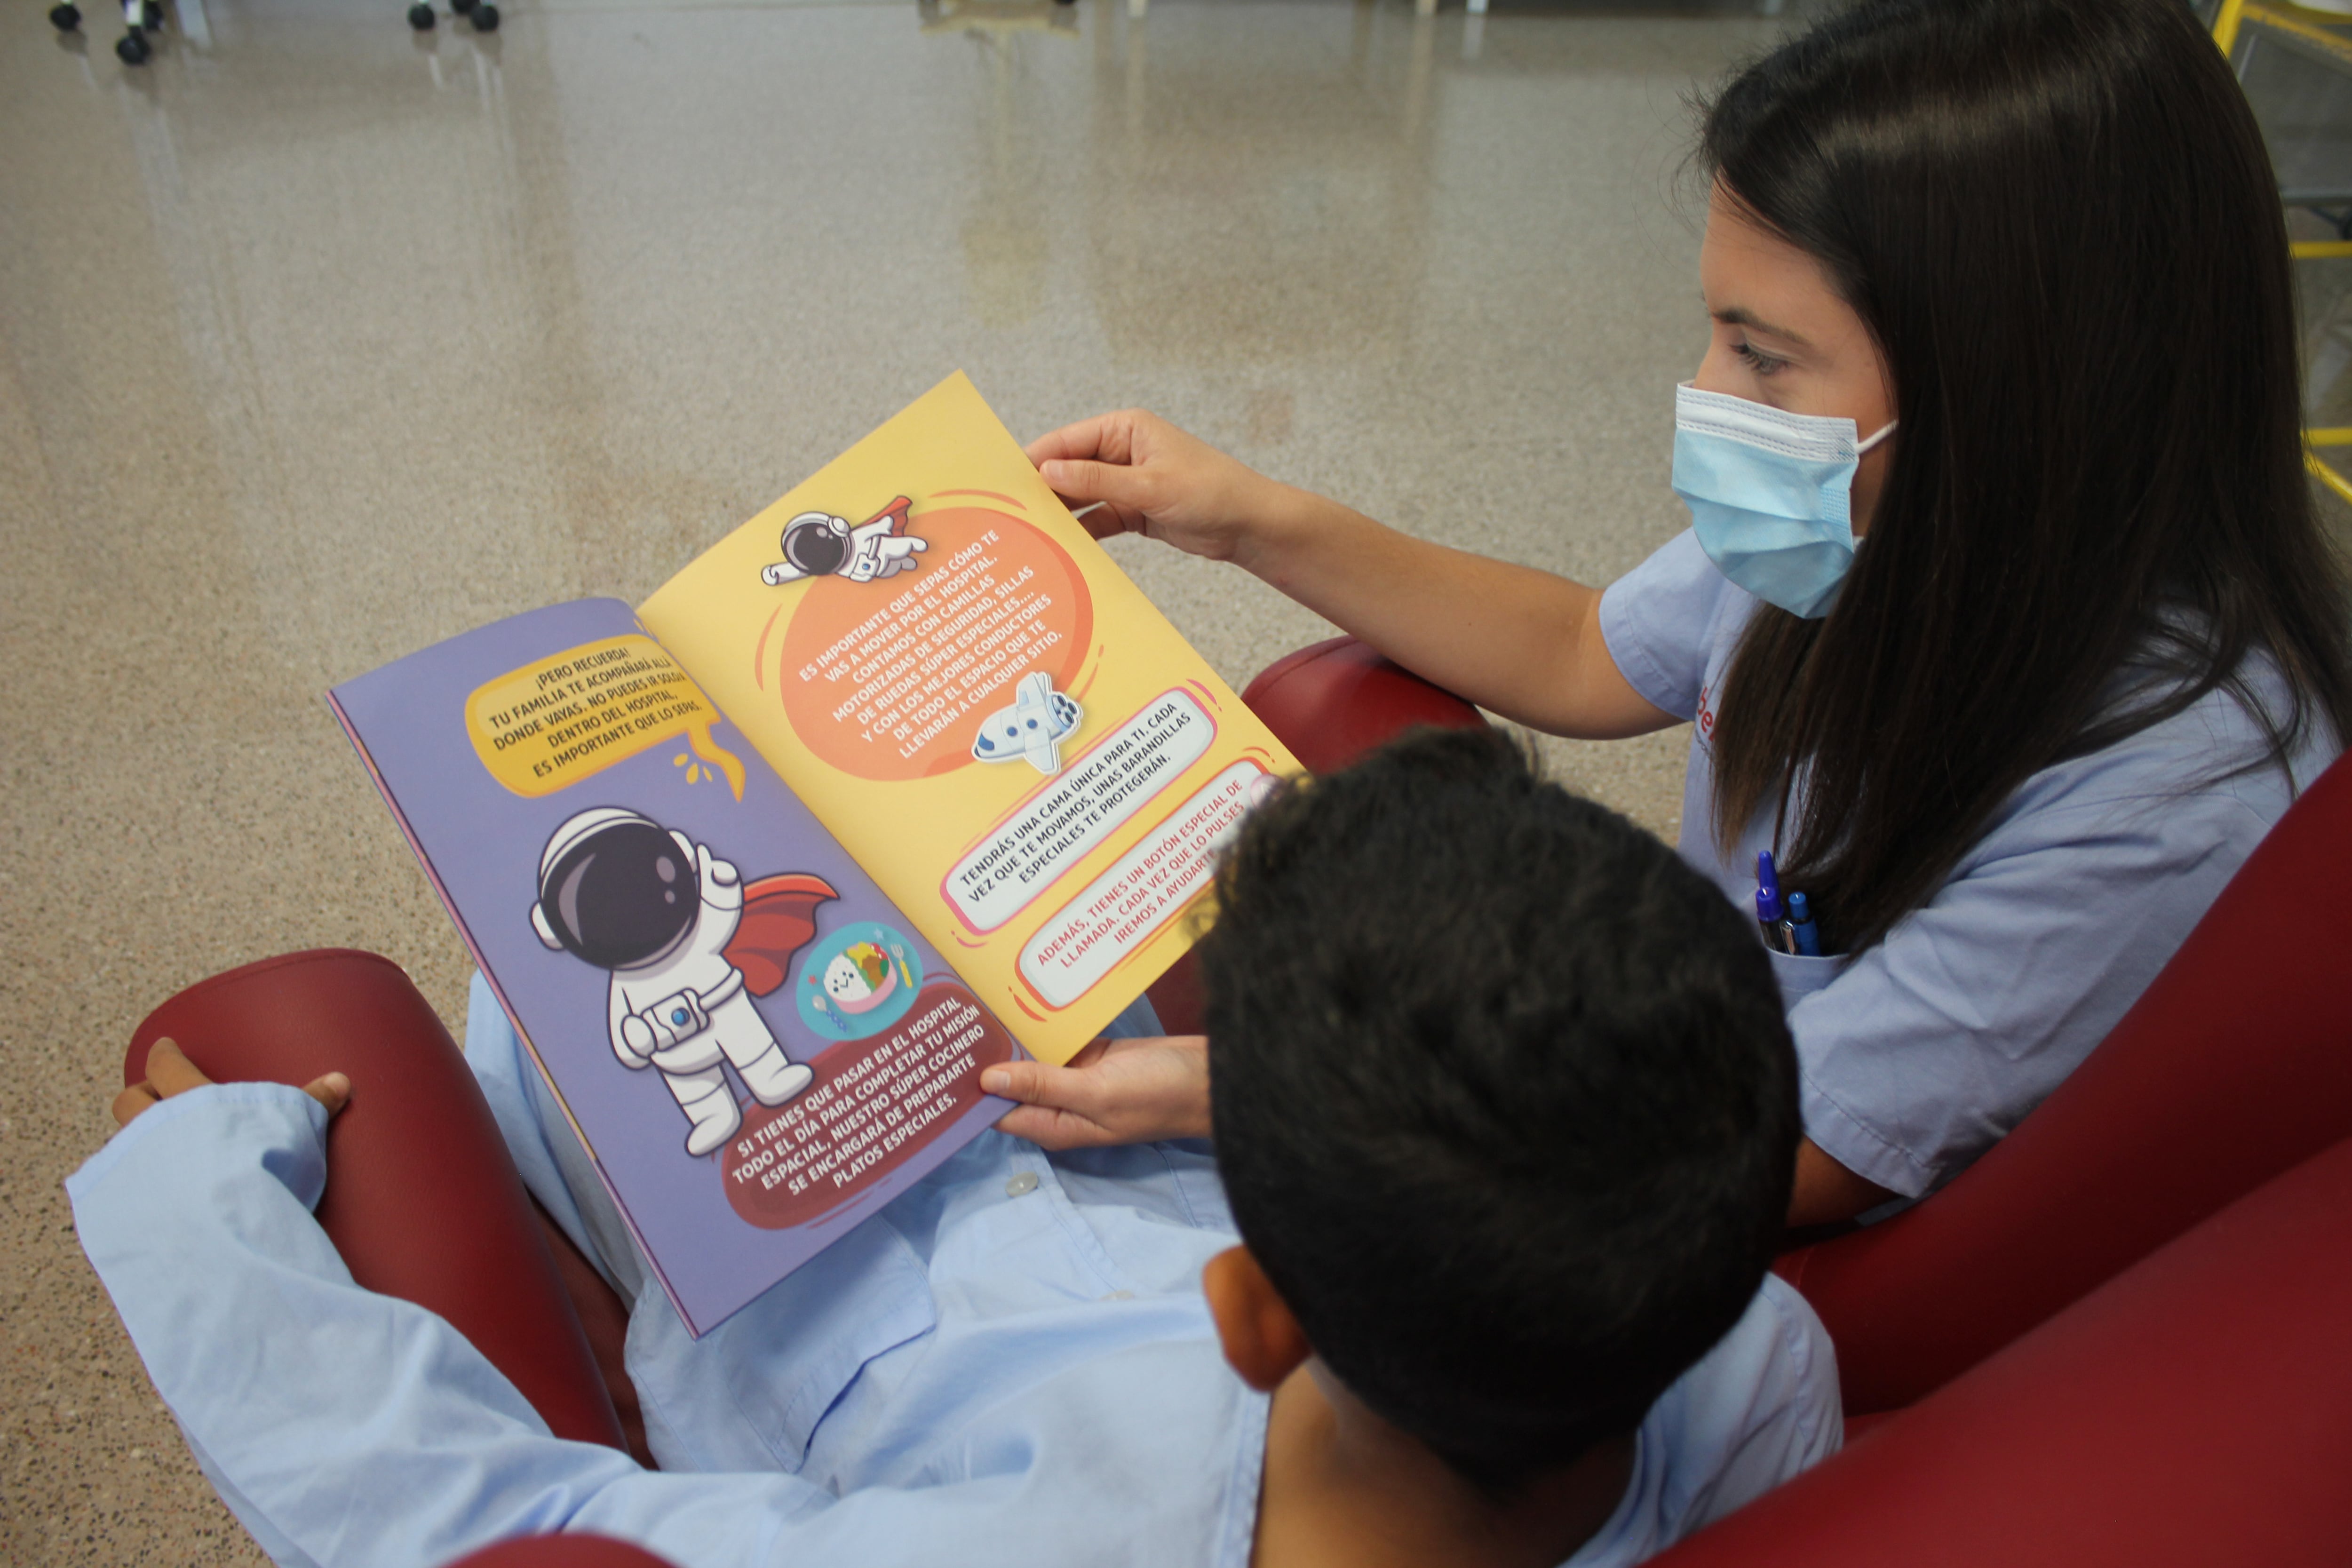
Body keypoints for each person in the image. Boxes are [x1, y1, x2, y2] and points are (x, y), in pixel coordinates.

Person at [990, 0, 2352, 1225]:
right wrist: (1240, 517)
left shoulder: (2172, 791)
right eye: (1716, 330)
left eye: (1763, 356)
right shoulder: (1873, 523)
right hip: (1675, 1055)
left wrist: (1262, 1093)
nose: (1706, 396)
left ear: (2020, 396)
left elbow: (1789, 1155)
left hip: (1724, 1200)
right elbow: (1587, 652)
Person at [74, 731, 1837, 1568]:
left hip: (814, 1287)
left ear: (1259, 1316)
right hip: (1123, 1179)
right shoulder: (1755, 1352)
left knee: (535, 991)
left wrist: (195, 1208)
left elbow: (501, 1528)